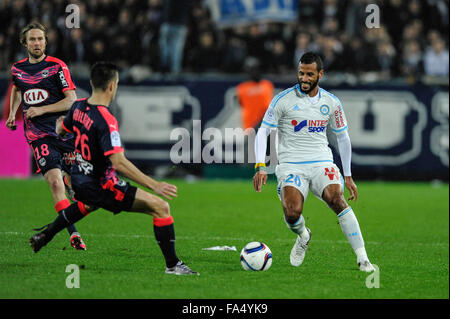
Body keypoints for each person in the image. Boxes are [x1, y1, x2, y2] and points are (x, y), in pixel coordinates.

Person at [30, 62, 199, 276]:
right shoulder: (106, 120)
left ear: (92, 83)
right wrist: (154, 184)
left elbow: (62, 129)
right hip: (103, 185)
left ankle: (45, 235)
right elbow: (119, 163)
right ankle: (173, 265)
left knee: (87, 204)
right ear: (112, 86)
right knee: (161, 207)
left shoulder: (79, 106)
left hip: (81, 179)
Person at [252, 52, 375, 272]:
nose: (304, 78)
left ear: (320, 74)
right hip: (291, 165)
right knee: (292, 212)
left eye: (310, 74)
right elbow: (263, 133)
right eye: (301, 73)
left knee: (336, 199)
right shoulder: (282, 99)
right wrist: (260, 165)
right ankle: (303, 235)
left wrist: (348, 175)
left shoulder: (331, 102)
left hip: (321, 163)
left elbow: (343, 138)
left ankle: (363, 258)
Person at [6, 22, 86, 250]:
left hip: (64, 133)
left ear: (45, 42)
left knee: (82, 190)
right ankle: (73, 234)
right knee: (53, 182)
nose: (37, 43)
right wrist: (13, 113)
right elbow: (18, 89)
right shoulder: (17, 69)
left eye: (40, 39)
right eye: (32, 39)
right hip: (38, 135)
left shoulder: (56, 66)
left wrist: (41, 109)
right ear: (25, 43)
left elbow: (71, 100)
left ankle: (70, 181)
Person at [236, 57, 274, 131]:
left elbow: (268, 107)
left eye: (255, 69)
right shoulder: (242, 88)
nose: (254, 72)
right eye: (251, 70)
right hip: (250, 127)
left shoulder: (266, 85)